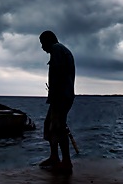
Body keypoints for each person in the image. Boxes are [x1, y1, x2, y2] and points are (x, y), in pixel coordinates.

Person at [39, 30, 75, 173]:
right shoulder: (60, 50)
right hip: (60, 96)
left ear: (48, 41)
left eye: (42, 43)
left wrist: (54, 94)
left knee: (59, 127)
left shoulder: (56, 49)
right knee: (50, 125)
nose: (42, 47)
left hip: (61, 96)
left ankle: (66, 161)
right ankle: (54, 157)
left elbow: (59, 73)